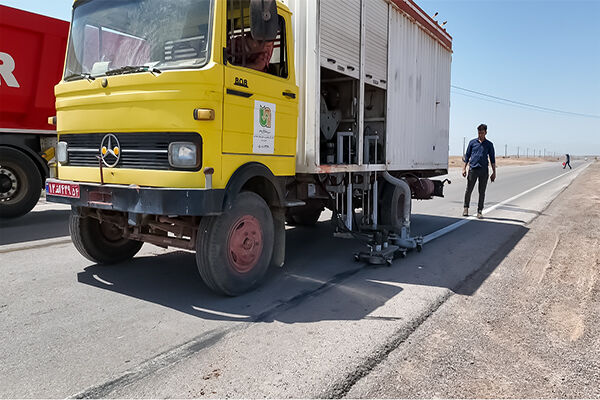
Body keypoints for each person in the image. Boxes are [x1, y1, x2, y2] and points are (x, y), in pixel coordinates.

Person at [462, 124, 496, 219]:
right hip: (473, 169)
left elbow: (492, 159)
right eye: (479, 132)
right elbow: (467, 156)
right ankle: (466, 207)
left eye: (482, 132)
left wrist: (494, 172)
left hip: (483, 171)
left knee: (482, 192)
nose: (480, 134)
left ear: (486, 132)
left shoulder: (489, 144)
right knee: (469, 190)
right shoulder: (472, 143)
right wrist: (464, 168)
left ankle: (479, 211)